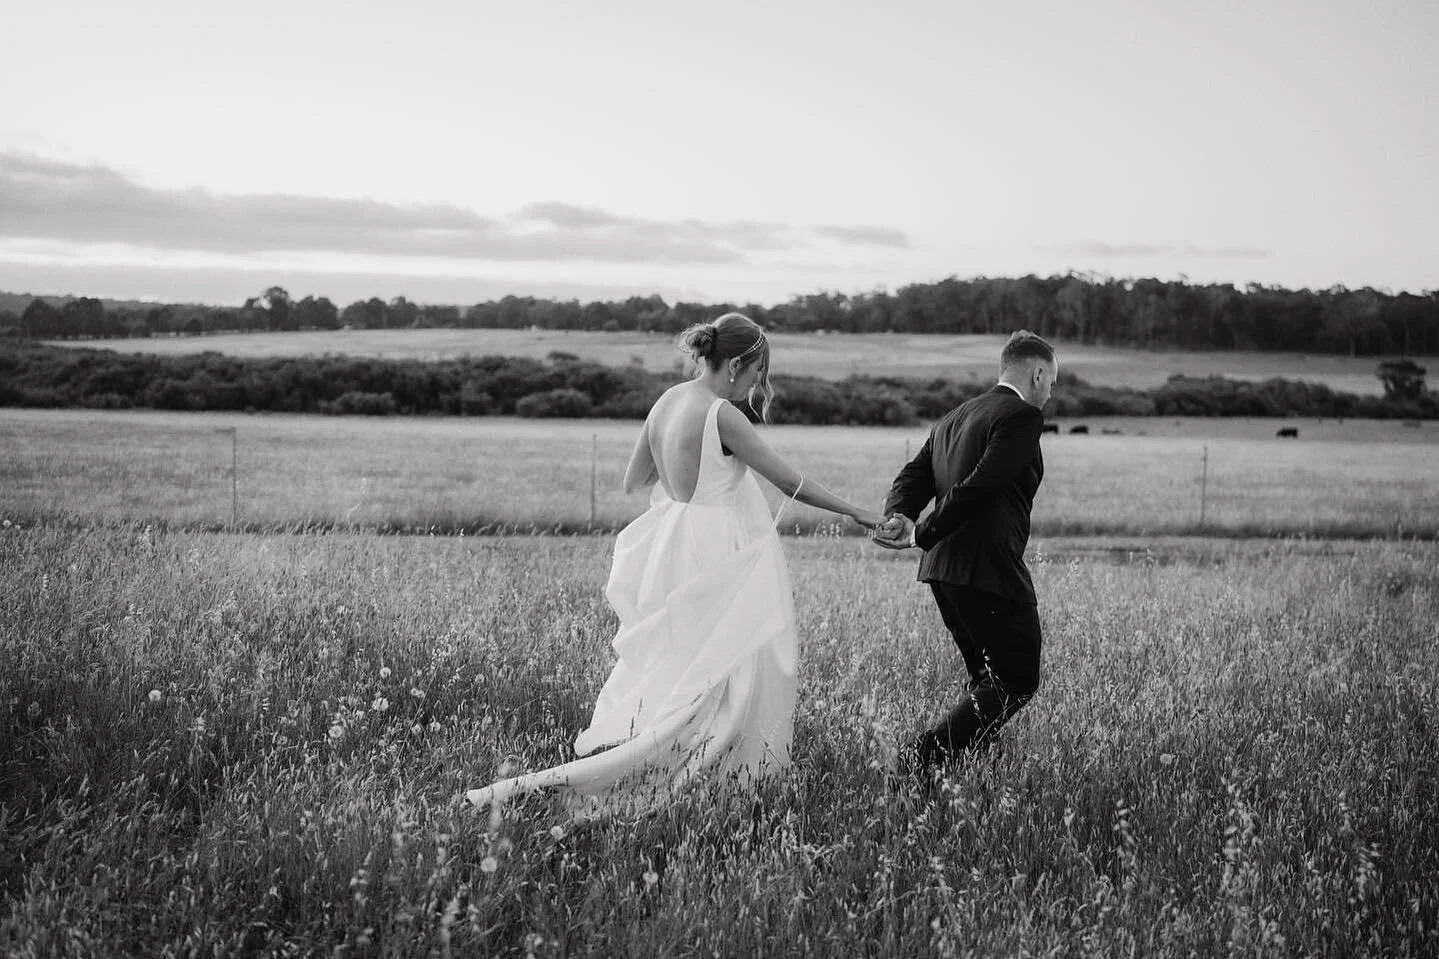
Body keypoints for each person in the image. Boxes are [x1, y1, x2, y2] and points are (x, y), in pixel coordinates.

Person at [467, 312, 884, 818]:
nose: (758, 383)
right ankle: (705, 775)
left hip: (672, 541)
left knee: (688, 663)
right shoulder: (723, 415)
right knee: (728, 666)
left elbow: (633, 480)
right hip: (715, 547)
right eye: (757, 372)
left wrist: (684, 475)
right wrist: (860, 513)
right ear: (733, 365)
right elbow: (790, 482)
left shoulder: (667, 400)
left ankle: (670, 759)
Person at [872, 330, 1057, 781]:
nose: (1050, 391)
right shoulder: (1021, 416)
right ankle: (921, 759)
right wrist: (920, 532)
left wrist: (899, 515)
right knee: (1016, 679)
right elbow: (983, 485)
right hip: (987, 568)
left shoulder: (956, 415)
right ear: (1036, 373)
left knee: (987, 679)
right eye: (1051, 381)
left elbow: (912, 475)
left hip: (944, 571)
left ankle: (977, 774)